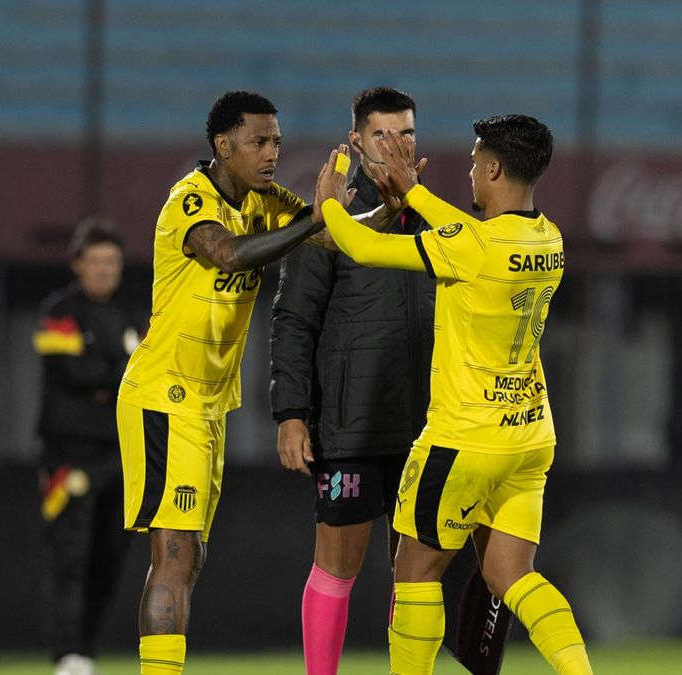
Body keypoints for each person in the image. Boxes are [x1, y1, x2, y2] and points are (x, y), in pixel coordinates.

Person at [115, 90, 400, 674]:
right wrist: (317, 217)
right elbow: (228, 255)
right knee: (173, 554)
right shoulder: (189, 200)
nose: (272, 153)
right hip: (166, 394)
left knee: (190, 556)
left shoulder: (264, 200)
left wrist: (387, 212)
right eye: (259, 142)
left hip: (207, 403)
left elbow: (330, 236)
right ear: (223, 146)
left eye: (277, 142)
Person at [315, 116, 594, 674]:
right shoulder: (550, 239)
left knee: (415, 572)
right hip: (528, 436)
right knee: (512, 575)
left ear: (493, 168)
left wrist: (327, 206)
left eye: (473, 162)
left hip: (464, 438)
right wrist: (413, 193)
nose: (469, 172)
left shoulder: (472, 246)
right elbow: (468, 234)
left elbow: (362, 247)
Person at [268, 86, 433, 675]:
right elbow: (293, 320)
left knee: (417, 576)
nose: (395, 144)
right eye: (382, 133)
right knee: (338, 566)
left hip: (428, 427)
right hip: (351, 425)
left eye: (406, 132)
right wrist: (291, 413)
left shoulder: (437, 220)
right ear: (356, 142)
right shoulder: (326, 220)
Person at [33, 219, 141, 675]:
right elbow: (73, 372)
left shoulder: (132, 312)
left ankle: (87, 652)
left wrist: (106, 375)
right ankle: (67, 654)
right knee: (70, 556)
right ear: (77, 264)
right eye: (95, 260)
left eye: (111, 260)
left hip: (122, 453)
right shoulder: (58, 310)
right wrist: (119, 369)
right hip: (69, 454)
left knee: (109, 558)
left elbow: (143, 375)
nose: (103, 268)